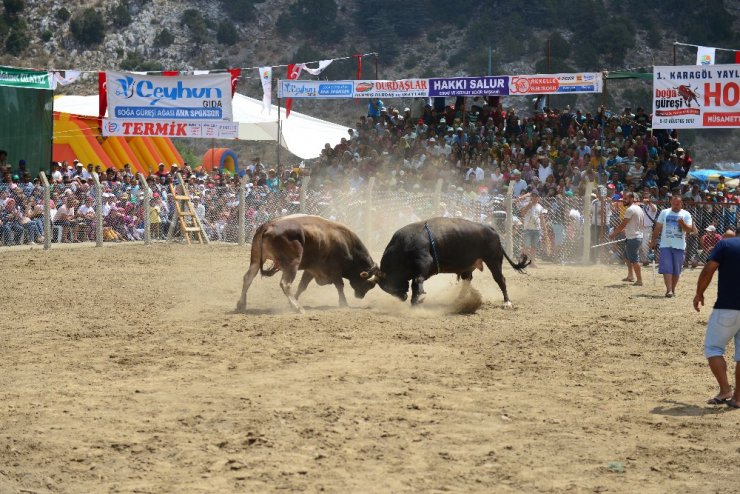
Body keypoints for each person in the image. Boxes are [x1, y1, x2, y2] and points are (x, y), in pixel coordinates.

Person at [693, 235, 740, 408]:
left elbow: (709, 269)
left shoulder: (726, 244)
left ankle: (725, 389)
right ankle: (738, 398)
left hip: (727, 307)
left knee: (713, 348)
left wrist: (699, 293)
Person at [650, 195, 693, 297]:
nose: (675, 206)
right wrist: (653, 240)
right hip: (665, 245)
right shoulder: (664, 212)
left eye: (677, 204)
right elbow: (658, 227)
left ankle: (673, 289)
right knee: (667, 268)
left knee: (676, 270)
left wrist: (682, 223)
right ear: (671, 203)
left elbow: (689, 230)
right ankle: (668, 290)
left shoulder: (686, 214)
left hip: (679, 246)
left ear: (681, 203)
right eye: (673, 203)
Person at [609, 191, 645, 285]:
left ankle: (639, 280)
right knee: (626, 256)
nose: (623, 200)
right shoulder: (638, 208)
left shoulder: (630, 210)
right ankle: (630, 276)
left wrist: (614, 234)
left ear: (632, 199)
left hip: (634, 238)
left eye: (626, 198)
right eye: (623, 198)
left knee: (634, 260)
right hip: (635, 236)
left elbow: (623, 224)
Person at [518, 190, 546, 268]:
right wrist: (528, 207)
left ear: (538, 198)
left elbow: (542, 218)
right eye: (533, 196)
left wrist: (544, 228)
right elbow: (522, 214)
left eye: (536, 196)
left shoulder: (540, 207)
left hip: (537, 229)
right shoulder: (527, 204)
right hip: (528, 228)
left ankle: (532, 262)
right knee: (526, 246)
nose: (534, 198)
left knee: (534, 247)